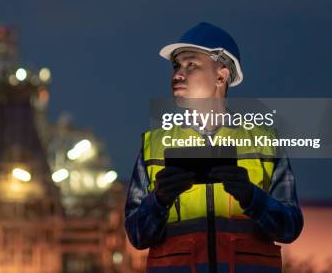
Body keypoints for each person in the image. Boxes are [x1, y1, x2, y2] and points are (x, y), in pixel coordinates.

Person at [124, 22, 303, 272]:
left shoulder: (266, 143)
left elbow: (290, 227)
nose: (177, 74)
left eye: (191, 65)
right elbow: (136, 235)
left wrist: (252, 198)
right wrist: (159, 200)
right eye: (176, 66)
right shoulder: (153, 146)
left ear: (221, 75)